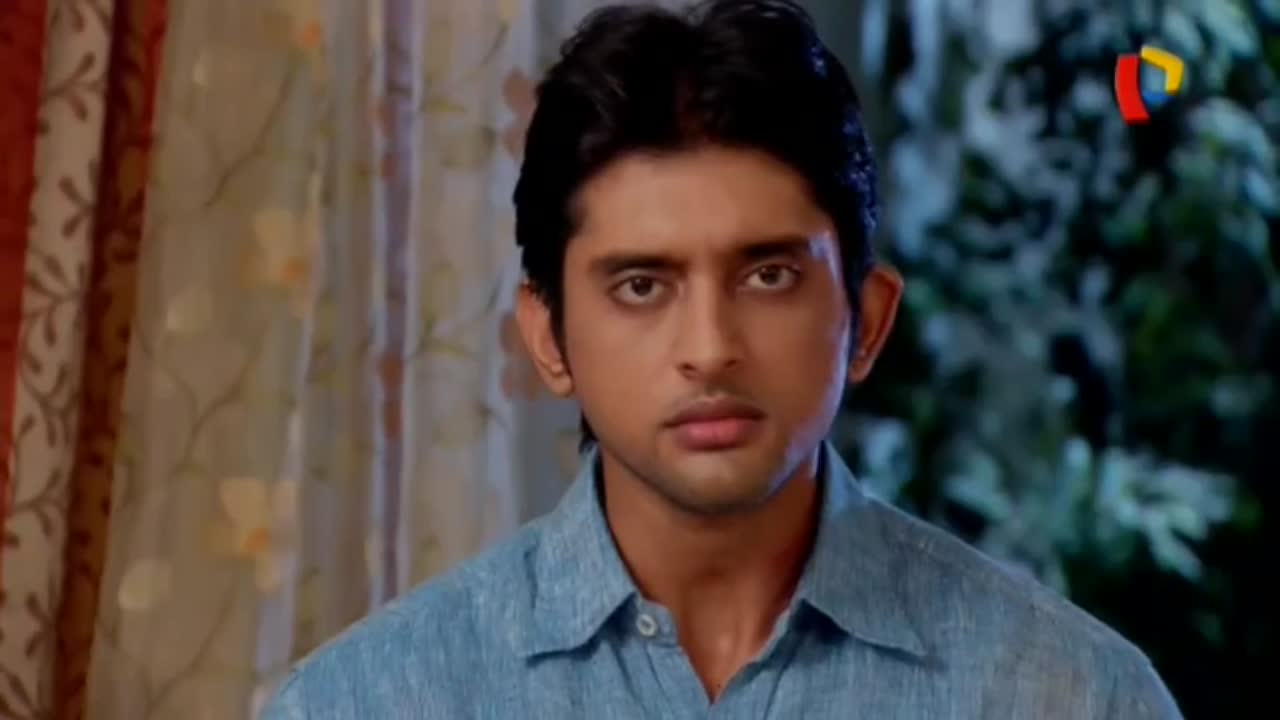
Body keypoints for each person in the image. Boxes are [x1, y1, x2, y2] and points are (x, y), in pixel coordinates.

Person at [263, 1, 1182, 717]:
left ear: (866, 320)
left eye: (769, 275)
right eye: (641, 286)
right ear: (548, 338)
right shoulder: (362, 704)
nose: (709, 350)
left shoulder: (1072, 697)